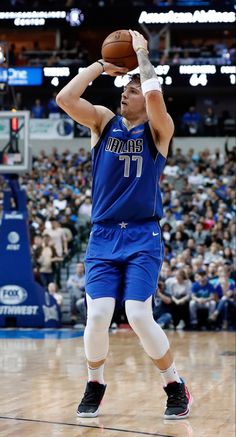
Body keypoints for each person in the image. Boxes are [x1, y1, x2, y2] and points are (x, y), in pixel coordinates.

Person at [56, 29, 192, 420]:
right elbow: (65, 99)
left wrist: (142, 54)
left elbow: (152, 95)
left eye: (131, 90)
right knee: (97, 316)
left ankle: (174, 384)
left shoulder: (158, 130)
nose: (125, 93)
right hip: (102, 235)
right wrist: (100, 65)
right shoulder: (103, 121)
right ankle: (95, 382)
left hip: (142, 234)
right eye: (123, 90)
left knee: (137, 313)